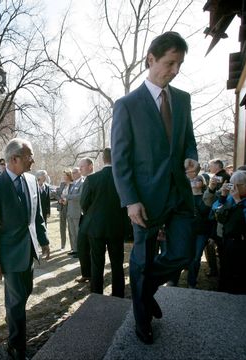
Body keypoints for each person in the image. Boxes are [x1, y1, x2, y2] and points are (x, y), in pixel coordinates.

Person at [111, 31, 198, 344]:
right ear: (151, 59)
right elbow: (120, 161)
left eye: (179, 64)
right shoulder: (126, 106)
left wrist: (191, 158)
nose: (174, 70)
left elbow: (188, 139)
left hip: (180, 196)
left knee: (183, 252)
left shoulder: (183, 100)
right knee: (142, 260)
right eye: (169, 63)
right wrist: (130, 200)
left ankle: (144, 291)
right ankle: (141, 319)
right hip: (144, 200)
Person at [0, 138, 50, 359]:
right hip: (9, 256)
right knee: (18, 300)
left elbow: (36, 216)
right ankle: (16, 346)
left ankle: (12, 316)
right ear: (14, 159)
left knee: (23, 294)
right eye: (29, 155)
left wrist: (44, 240)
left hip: (29, 251)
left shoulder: (31, 180)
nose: (33, 160)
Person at [211, 170, 246, 294]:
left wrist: (237, 201)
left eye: (235, 185)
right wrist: (223, 196)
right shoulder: (232, 195)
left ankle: (240, 299)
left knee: (241, 273)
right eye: (230, 184)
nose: (232, 188)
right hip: (229, 240)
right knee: (225, 270)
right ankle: (224, 295)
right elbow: (216, 209)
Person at [80, 148, 126, 298]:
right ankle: (118, 295)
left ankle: (96, 295)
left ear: (103, 159)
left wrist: (93, 215)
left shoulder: (92, 179)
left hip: (96, 227)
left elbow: (84, 203)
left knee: (97, 263)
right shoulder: (122, 178)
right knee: (117, 264)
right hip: (117, 227)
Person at [184, 159, 212, 289]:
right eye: (192, 180)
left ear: (203, 183)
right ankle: (173, 280)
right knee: (185, 255)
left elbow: (206, 211)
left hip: (201, 231)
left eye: (198, 179)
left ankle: (191, 282)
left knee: (196, 257)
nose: (195, 181)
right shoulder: (184, 196)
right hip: (187, 231)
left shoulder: (206, 196)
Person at [56, 170, 73, 251]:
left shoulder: (73, 184)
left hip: (70, 208)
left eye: (65, 176)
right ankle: (63, 245)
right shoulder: (62, 184)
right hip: (62, 207)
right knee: (62, 227)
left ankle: (73, 247)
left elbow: (73, 196)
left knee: (71, 228)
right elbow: (57, 194)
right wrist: (59, 200)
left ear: (69, 176)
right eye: (63, 176)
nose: (64, 177)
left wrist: (67, 201)